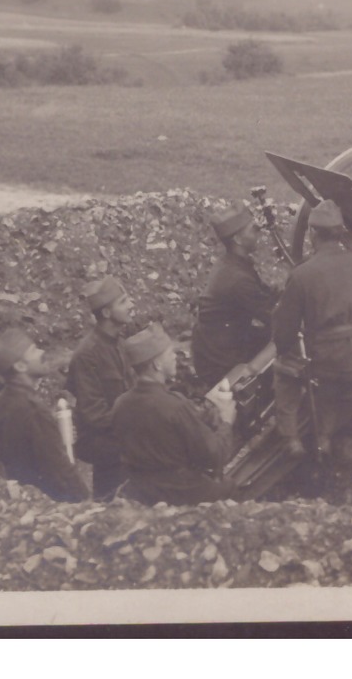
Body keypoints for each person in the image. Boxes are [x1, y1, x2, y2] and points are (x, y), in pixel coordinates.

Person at [269, 200, 352, 459]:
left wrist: (283, 350)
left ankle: (291, 439)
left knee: (285, 369)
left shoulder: (303, 274)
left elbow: (284, 332)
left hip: (326, 359)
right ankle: (324, 436)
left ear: (312, 234)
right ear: (341, 233)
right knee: (333, 382)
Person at [111, 323, 237, 505]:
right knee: (233, 488)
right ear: (157, 364)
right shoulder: (174, 406)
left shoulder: (120, 404)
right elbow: (215, 455)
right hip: (180, 492)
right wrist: (226, 421)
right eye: (170, 353)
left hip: (140, 492)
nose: (175, 357)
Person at [0, 329, 91, 502]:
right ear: (19, 366)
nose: (41, 352)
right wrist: (85, 499)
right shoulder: (33, 410)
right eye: (33, 351)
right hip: (47, 498)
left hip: (20, 497)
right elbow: (61, 470)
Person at [64, 277, 137, 500]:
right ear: (106, 313)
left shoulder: (119, 343)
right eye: (123, 301)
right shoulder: (88, 354)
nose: (131, 304)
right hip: (102, 440)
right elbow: (94, 414)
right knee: (110, 501)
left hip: (120, 432)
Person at [191, 205, 278, 391]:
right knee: (286, 341)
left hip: (219, 343)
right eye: (252, 229)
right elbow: (273, 317)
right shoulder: (237, 278)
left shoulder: (233, 264)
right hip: (220, 358)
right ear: (237, 239)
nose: (258, 233)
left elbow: (264, 295)